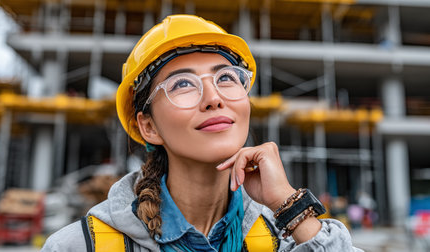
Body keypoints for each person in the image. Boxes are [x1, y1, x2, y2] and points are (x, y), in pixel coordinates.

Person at [42, 14, 362, 251]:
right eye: (183, 84)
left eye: (226, 78)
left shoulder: (286, 238)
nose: (213, 98)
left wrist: (290, 205)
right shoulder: (81, 245)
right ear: (148, 126)